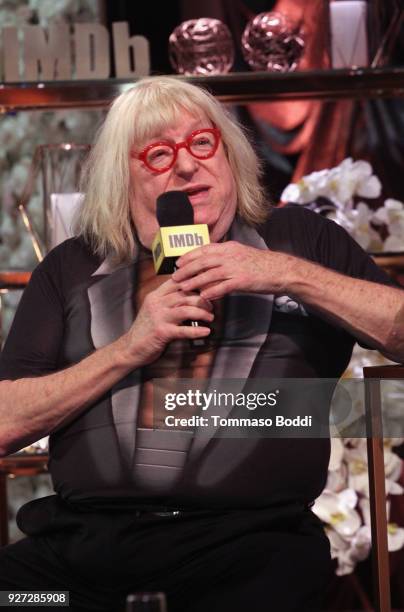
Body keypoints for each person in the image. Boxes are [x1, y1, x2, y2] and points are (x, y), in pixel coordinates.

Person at [0, 76, 403, 612]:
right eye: (159, 153)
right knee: (20, 597)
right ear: (123, 178)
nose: (187, 166)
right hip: (79, 565)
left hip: (250, 552)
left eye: (202, 143)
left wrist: (282, 273)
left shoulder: (298, 239)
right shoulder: (73, 266)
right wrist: (128, 348)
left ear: (230, 154)